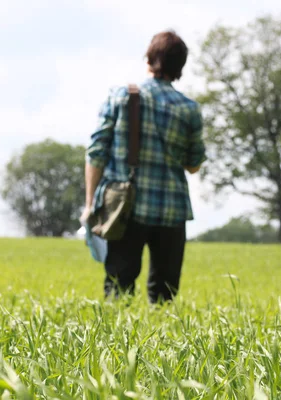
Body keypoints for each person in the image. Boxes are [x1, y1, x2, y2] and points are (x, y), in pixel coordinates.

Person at [81, 31, 207, 304]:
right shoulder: (189, 109)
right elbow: (194, 164)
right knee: (164, 296)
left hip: (126, 208)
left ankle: (116, 346)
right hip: (172, 210)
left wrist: (91, 202)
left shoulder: (121, 97)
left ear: (149, 60)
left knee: (118, 289)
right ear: (180, 68)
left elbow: (96, 152)